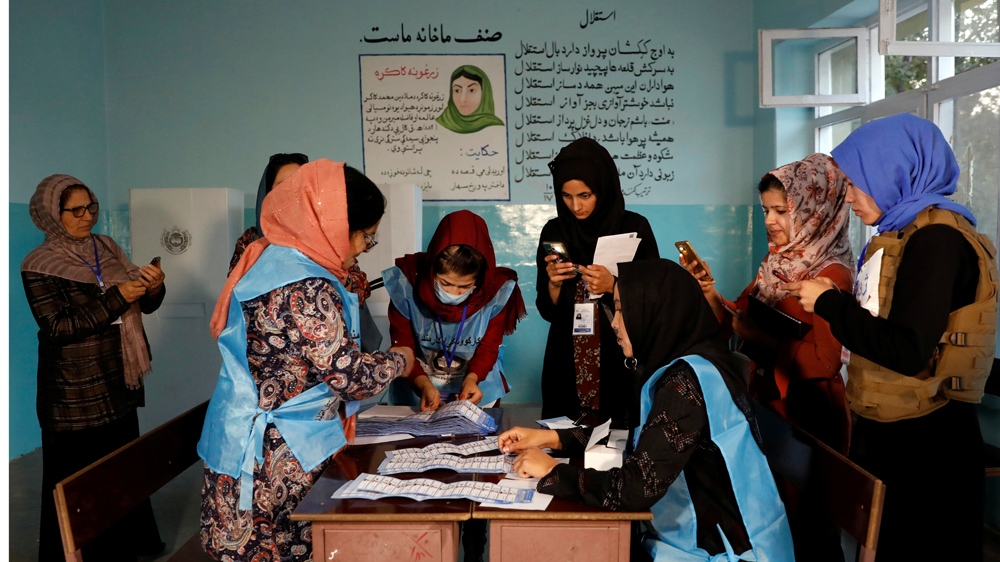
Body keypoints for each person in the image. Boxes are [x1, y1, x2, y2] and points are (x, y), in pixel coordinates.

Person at [787, 114, 996, 562]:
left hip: (929, 449)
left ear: (893, 172)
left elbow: (906, 349)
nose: (848, 197)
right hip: (896, 435)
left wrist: (829, 304)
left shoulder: (937, 240)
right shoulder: (902, 234)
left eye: (854, 183)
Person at [500, 260, 794, 561]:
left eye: (622, 309)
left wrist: (552, 471)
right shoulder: (685, 362)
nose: (615, 323)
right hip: (703, 534)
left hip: (725, 549)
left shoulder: (686, 383)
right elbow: (637, 434)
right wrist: (552, 439)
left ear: (654, 311)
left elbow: (635, 489)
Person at [198, 160, 414, 562]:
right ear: (334, 225)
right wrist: (400, 359)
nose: (362, 247)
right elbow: (350, 377)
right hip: (271, 458)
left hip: (250, 439)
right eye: (365, 236)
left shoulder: (273, 257)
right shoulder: (307, 285)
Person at [21, 174, 167, 561]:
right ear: (52, 214)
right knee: (79, 484)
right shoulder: (38, 264)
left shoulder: (105, 246)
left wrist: (152, 287)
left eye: (91, 207)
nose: (87, 216)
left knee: (122, 471)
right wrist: (117, 297)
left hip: (118, 381)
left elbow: (142, 303)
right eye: (76, 210)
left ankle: (128, 548)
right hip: (75, 394)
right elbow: (58, 326)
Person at [682, 153, 854, 455]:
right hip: (767, 400)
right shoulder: (776, 263)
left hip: (807, 416)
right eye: (765, 210)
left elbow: (826, 363)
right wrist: (707, 290)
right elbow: (737, 316)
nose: (769, 221)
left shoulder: (831, 274)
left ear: (815, 212)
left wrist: (760, 338)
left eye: (781, 211)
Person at [538, 137, 659, 427]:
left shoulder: (634, 226)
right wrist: (554, 284)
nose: (575, 206)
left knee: (619, 435)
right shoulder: (554, 230)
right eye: (566, 196)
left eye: (585, 195)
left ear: (603, 189)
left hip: (619, 354)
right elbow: (547, 311)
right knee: (563, 437)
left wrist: (614, 285)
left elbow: (654, 297)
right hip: (566, 358)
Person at [230, 152, 383, 352]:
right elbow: (340, 365)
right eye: (284, 188)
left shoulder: (325, 249)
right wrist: (400, 359)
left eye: (301, 188)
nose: (295, 197)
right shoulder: (299, 276)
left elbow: (358, 282)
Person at [384, 210, 526, 410]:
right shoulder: (406, 283)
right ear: (432, 271)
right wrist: (424, 385)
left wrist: (472, 379)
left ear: (479, 281)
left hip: (476, 389)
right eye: (445, 283)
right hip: (418, 388)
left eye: (465, 286)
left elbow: (488, 347)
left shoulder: (494, 291)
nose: (454, 292)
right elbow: (402, 346)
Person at [435, 65, 504, 134]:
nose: (462, 99)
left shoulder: (496, 127)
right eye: (457, 90)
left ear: (484, 93)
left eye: (471, 90)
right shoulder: (442, 122)